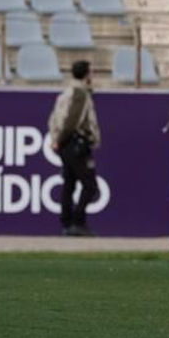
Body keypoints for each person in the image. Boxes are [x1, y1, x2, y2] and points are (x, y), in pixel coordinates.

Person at [48, 59, 103, 238]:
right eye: (91, 72)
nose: (92, 75)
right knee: (89, 184)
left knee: (69, 183)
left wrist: (56, 138)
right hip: (76, 143)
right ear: (86, 74)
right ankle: (78, 222)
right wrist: (61, 139)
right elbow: (73, 120)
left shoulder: (66, 93)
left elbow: (53, 118)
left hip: (66, 143)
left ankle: (67, 222)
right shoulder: (80, 93)